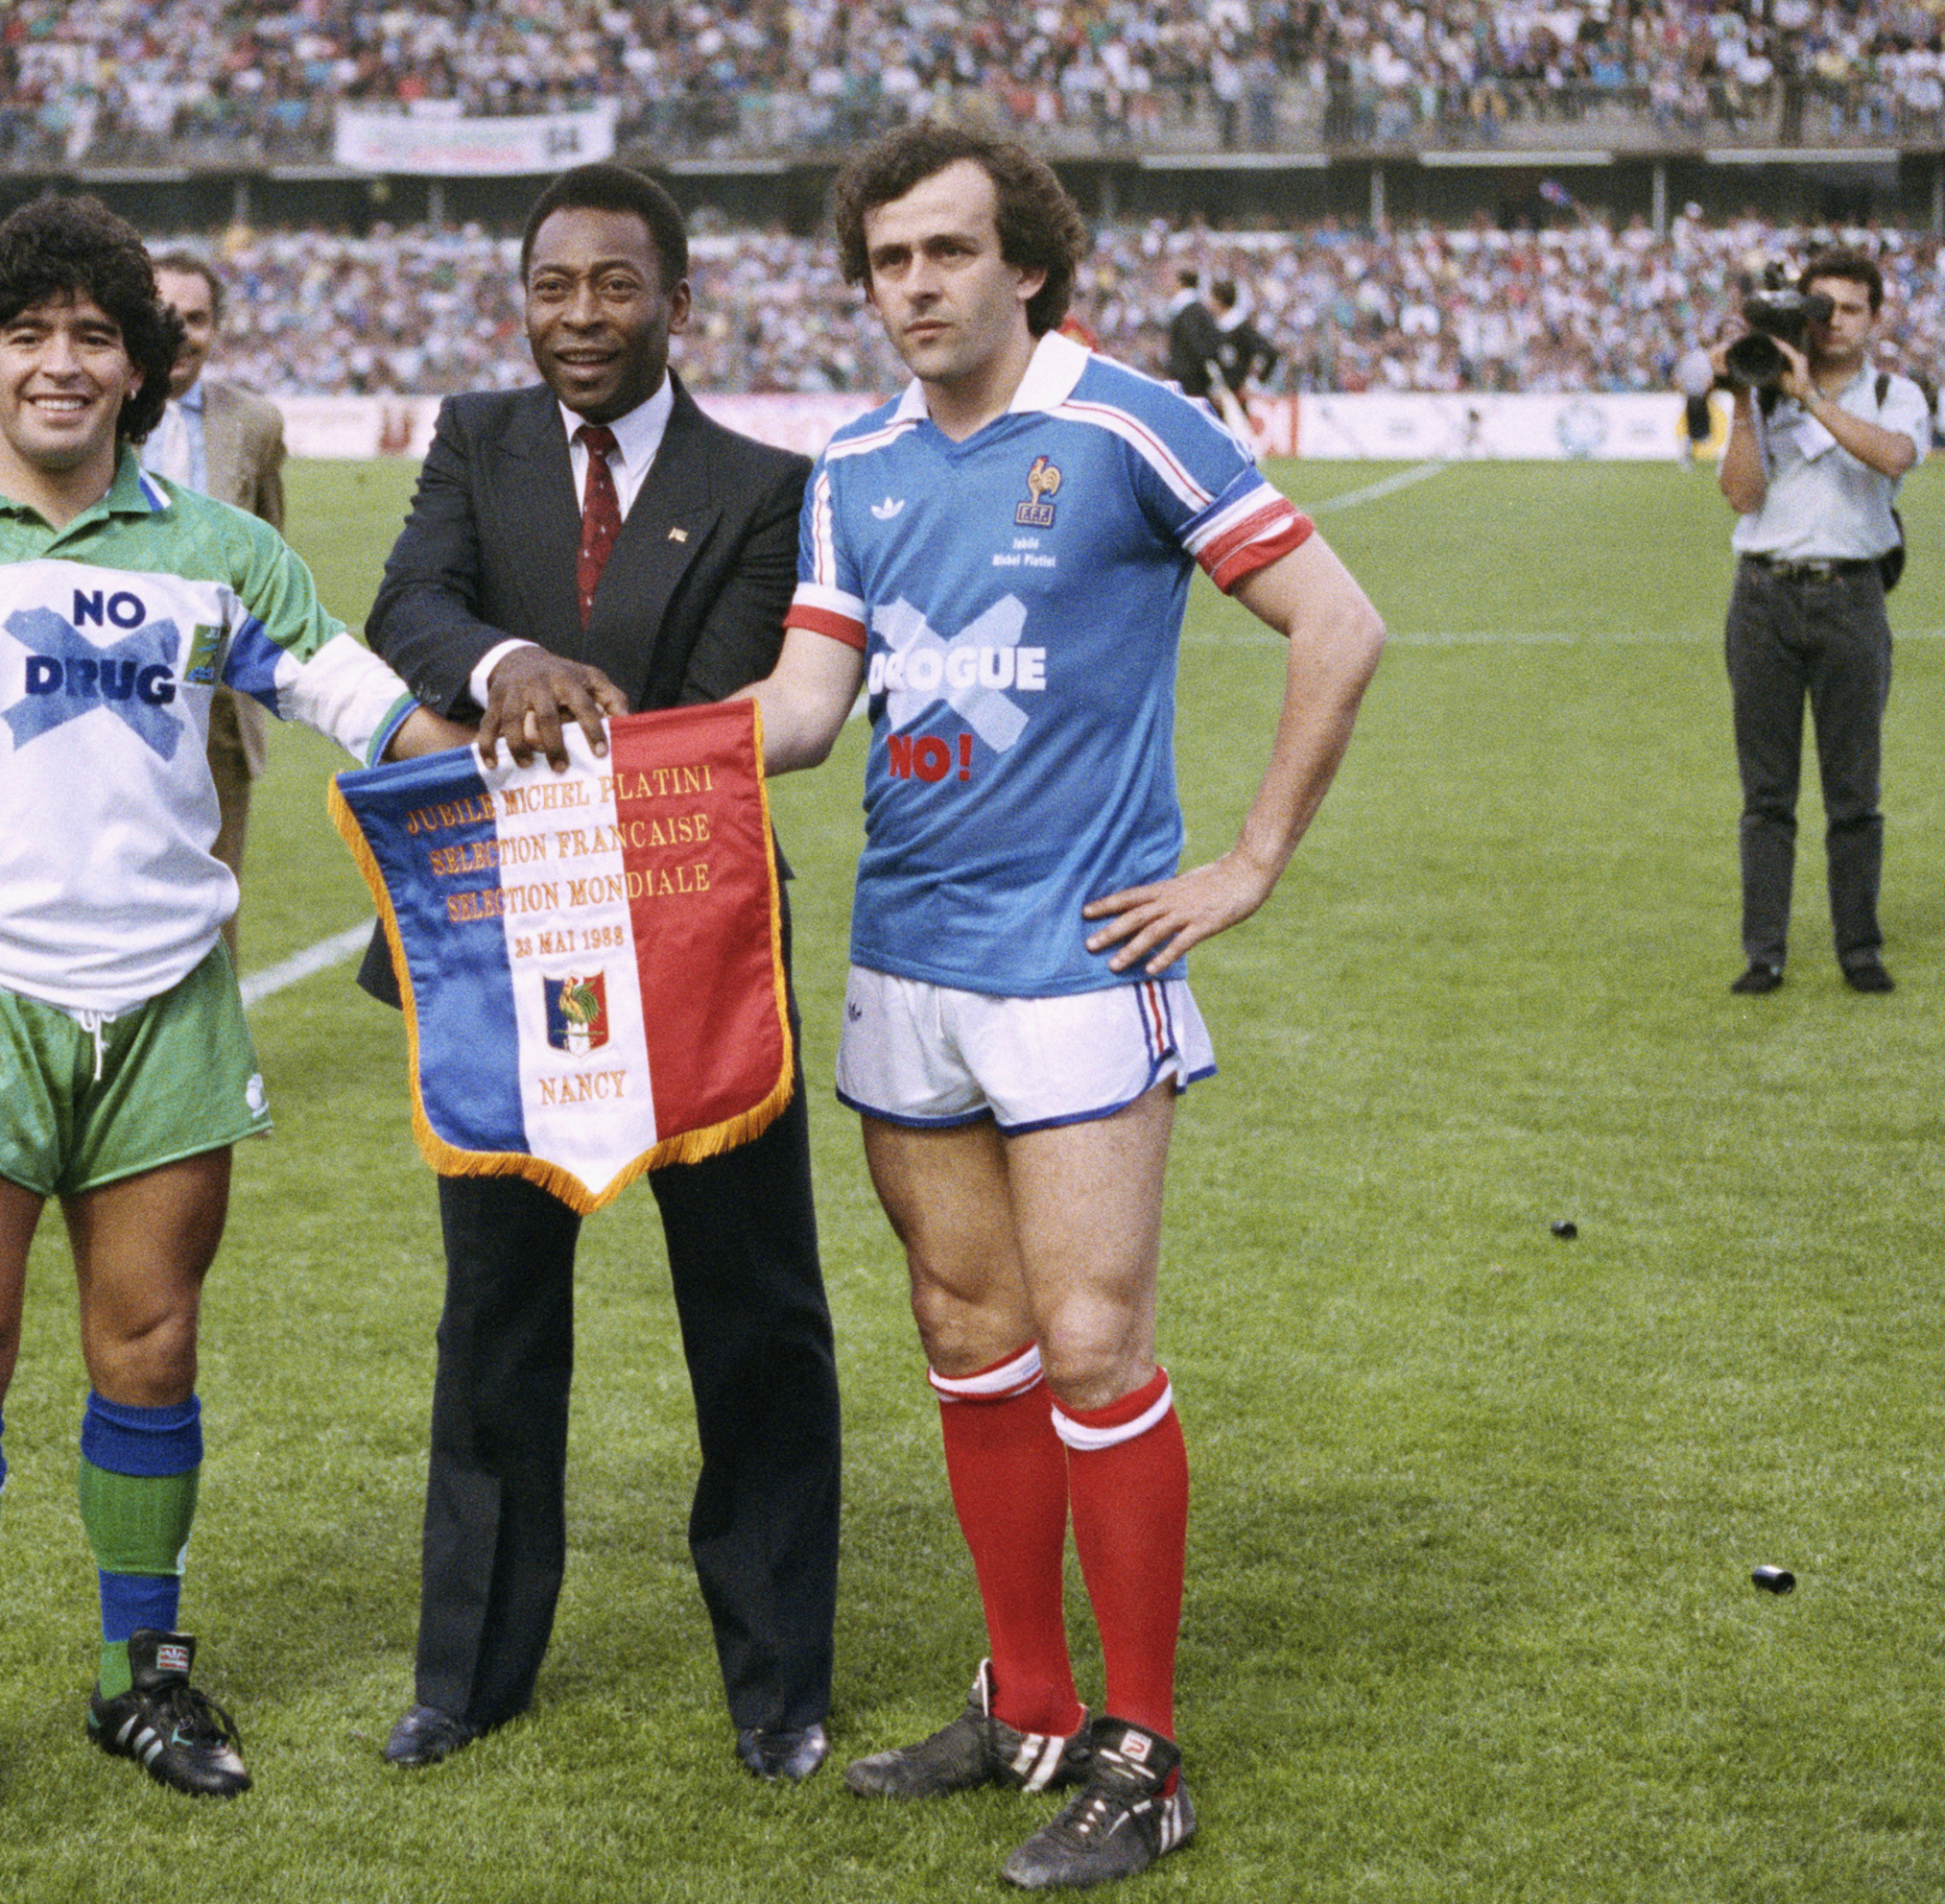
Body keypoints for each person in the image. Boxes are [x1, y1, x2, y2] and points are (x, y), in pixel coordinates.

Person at [0, 194, 468, 1844]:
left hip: (164, 1000)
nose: (62, 363)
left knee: (149, 1344)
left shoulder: (215, 545)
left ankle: (143, 1665)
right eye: (30, 335)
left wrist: (518, 722)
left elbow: (370, 707)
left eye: (95, 336)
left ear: (140, 367)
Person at [739, 126, 1382, 1888]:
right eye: (888, 260)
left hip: (1080, 961)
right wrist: (611, 760)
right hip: (904, 960)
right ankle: (1026, 1701)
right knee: (967, 1331)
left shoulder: (1126, 421)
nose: (918, 287)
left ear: (1027, 260)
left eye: (950, 251)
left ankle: (1145, 1750)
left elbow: (1339, 621)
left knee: (1093, 1338)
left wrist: (1245, 862)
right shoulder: (853, 463)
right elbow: (803, 712)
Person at [358, 160, 843, 1783]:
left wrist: (558, 692)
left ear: (677, 300)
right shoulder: (473, 436)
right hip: (502, 957)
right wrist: (506, 662)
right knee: (493, 1318)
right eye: (555, 286)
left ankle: (780, 1684)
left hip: (699, 954)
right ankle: (468, 1671)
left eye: (616, 287)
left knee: (757, 1318)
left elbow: (725, 699)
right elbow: (408, 603)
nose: (582, 317)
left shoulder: (768, 481)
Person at [1711, 249, 1926, 996]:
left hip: (1851, 596)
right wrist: (1744, 394)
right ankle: (1763, 952)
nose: (1833, 323)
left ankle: (1858, 948)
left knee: (1853, 792)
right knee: (1766, 794)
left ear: (1875, 318)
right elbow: (1740, 496)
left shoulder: (1896, 392)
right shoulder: (1764, 393)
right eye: (1821, 306)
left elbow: (1891, 456)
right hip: (1763, 596)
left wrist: (1810, 398)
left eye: (1851, 309)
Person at [144, 251, 289, 957]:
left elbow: (269, 554)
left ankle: (216, 1060)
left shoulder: (255, 422)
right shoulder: (97, 414)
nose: (179, 333)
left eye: (196, 319)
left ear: (216, 329)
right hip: (119, 691)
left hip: (221, 707)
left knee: (215, 900)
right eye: (164, 316)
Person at [1161, 265, 1222, 405]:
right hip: (1191, 379)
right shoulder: (1195, 309)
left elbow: (1195, 346)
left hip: (1190, 382)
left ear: (1180, 283)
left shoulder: (1189, 311)